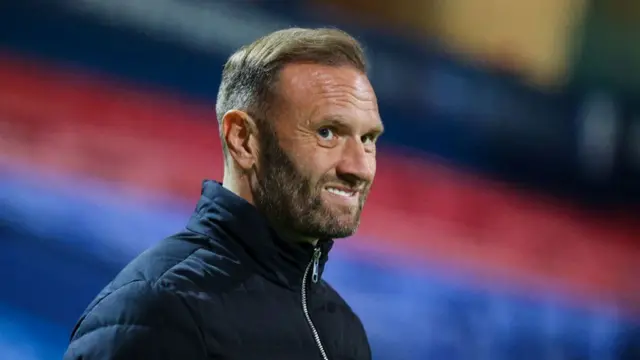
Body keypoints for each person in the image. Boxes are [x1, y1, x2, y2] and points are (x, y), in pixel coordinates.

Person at [63, 27, 384, 360]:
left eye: (368, 139)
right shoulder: (160, 309)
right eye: (327, 132)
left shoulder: (343, 331)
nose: (359, 168)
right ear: (243, 139)